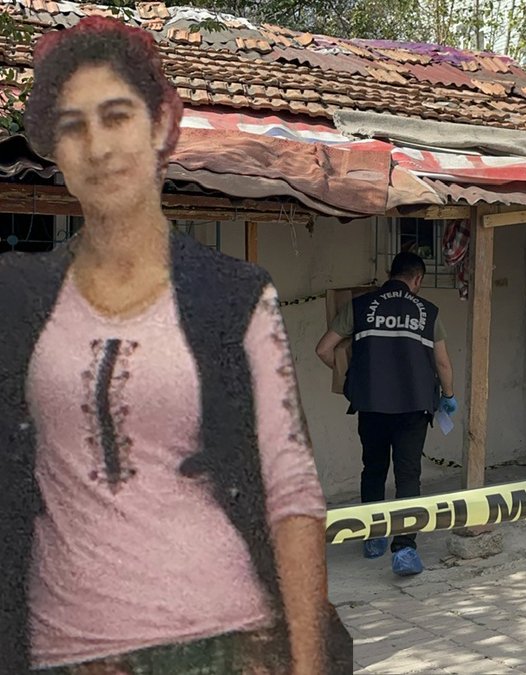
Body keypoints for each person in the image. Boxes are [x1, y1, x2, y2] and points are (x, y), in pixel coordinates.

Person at [0, 17, 351, 674]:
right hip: (64, 651)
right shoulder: (17, 298)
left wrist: (308, 664)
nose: (98, 146)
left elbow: (291, 488)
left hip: (226, 641)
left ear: (161, 124)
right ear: (52, 148)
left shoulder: (236, 295)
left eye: (116, 116)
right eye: (73, 126)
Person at [316, 252, 457, 576]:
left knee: (374, 468)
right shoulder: (428, 312)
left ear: (389, 273)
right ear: (418, 279)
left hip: (372, 404)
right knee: (408, 475)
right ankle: (404, 549)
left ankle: (372, 536)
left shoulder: (360, 306)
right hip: (414, 406)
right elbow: (443, 363)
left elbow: (323, 349)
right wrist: (448, 396)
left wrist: (350, 379)